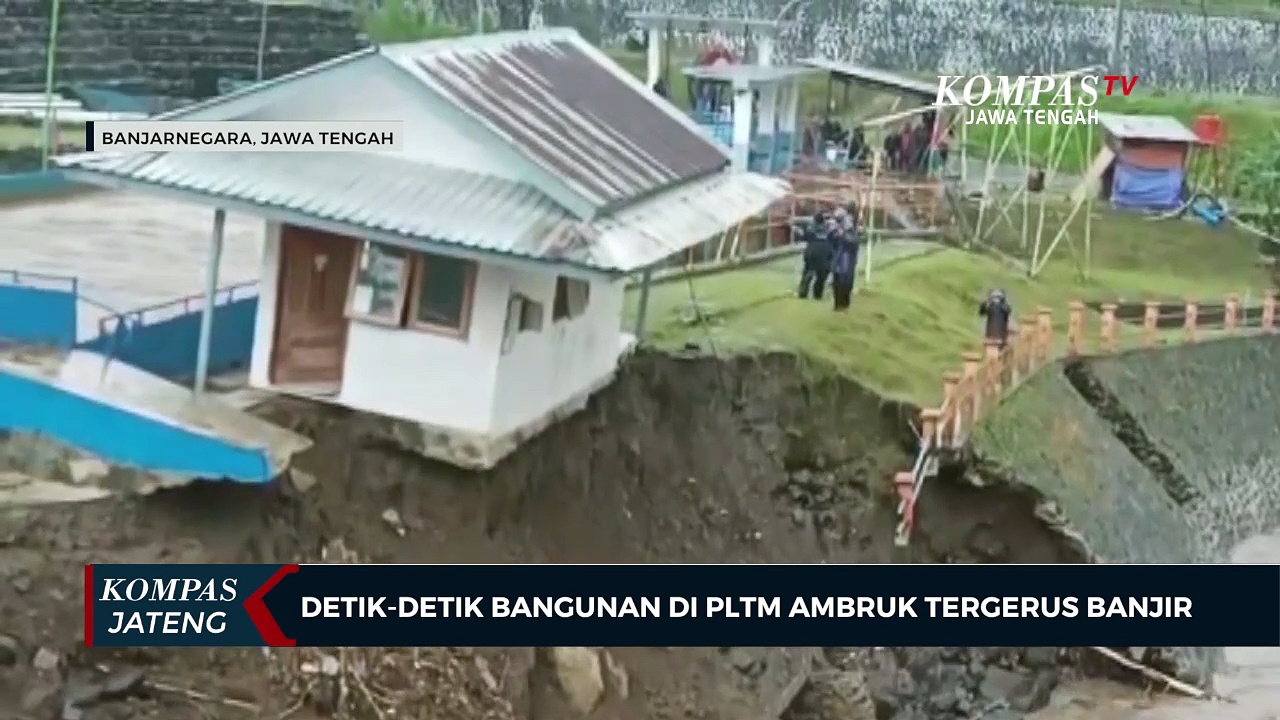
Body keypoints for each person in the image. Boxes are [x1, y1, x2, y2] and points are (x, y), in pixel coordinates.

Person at [798, 211, 833, 299]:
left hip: (812, 249)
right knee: (822, 274)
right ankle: (817, 294)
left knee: (807, 270)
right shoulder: (828, 227)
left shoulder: (810, 228)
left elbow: (804, 237)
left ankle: (803, 292)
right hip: (824, 249)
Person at [830, 218, 859, 311]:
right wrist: (833, 232)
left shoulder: (851, 235)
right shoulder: (836, 233)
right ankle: (837, 305)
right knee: (837, 285)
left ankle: (844, 305)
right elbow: (831, 241)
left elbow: (852, 243)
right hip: (838, 264)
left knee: (845, 285)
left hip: (846, 266)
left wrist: (842, 234)